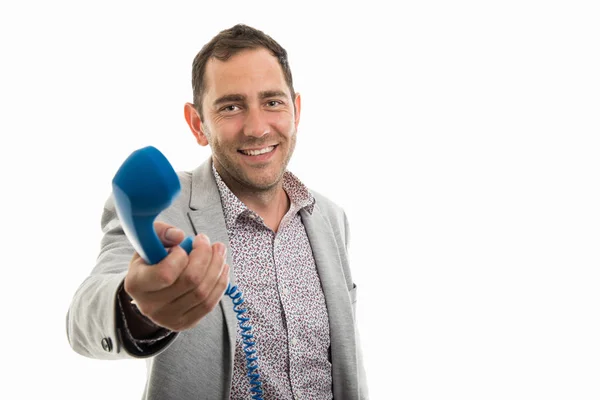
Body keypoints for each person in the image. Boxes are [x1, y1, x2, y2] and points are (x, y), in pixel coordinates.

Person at [66, 23, 368, 400]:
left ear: (296, 110)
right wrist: (138, 307)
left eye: (273, 102)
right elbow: (83, 321)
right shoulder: (165, 210)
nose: (257, 129)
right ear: (198, 124)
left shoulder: (330, 217)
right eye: (231, 106)